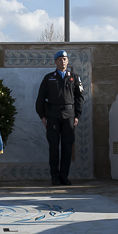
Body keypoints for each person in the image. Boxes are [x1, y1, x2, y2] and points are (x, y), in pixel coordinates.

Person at [35, 50, 84, 186]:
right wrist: (42, 116)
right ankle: (55, 177)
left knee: (67, 147)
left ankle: (64, 176)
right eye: (60, 59)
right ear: (55, 61)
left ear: (68, 61)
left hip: (69, 116)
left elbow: (80, 98)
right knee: (54, 147)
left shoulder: (74, 78)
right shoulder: (49, 78)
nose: (63, 61)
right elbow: (40, 97)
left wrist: (77, 115)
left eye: (65, 59)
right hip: (53, 116)